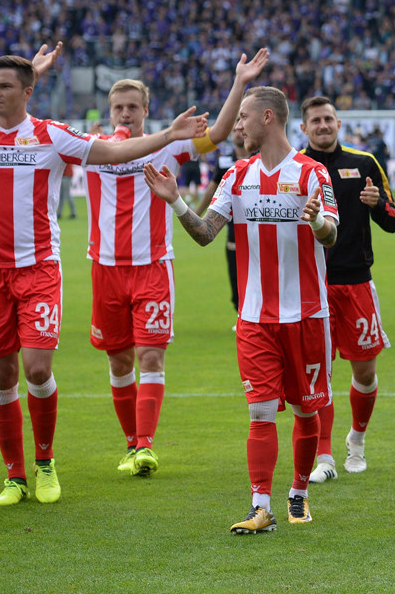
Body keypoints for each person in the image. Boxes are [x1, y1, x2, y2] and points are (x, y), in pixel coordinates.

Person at [0, 47, 208, 506]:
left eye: (4, 86)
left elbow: (113, 150)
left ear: (27, 92)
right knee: (1, 376)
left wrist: (168, 135)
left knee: (37, 368)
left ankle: (45, 462)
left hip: (38, 269)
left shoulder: (51, 135)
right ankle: (14, 477)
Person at [144, 86, 338, 535]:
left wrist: (316, 221)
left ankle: (298, 493)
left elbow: (330, 235)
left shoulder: (312, 174)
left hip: (307, 315)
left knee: (306, 411)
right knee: (260, 413)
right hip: (253, 319)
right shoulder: (236, 175)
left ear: (268, 117)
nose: (237, 126)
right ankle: (260, 506)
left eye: (243, 117)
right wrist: (175, 200)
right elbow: (205, 233)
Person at [82, 49, 267, 477]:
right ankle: (132, 443)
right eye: (118, 107)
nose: (125, 113)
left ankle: (146, 445)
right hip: (104, 270)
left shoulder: (169, 146)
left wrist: (239, 82)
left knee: (150, 357)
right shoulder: (92, 148)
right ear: (109, 112)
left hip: (152, 268)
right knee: (119, 362)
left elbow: (219, 132)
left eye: (133, 107)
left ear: (146, 111)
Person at [299, 96, 395, 482]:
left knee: (366, 372)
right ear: (304, 128)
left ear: (338, 123)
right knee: (317, 375)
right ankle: (324, 459)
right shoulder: (296, 167)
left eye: (328, 119)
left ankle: (356, 441)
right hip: (311, 286)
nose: (323, 125)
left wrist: (377, 204)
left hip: (356, 283)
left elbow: (393, 220)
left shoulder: (365, 163)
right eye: (315, 121)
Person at [196, 131, 253, 326]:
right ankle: (241, 313)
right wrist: (197, 214)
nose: (238, 132)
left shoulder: (261, 159)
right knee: (235, 276)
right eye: (234, 129)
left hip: (257, 226)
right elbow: (212, 189)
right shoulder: (225, 162)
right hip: (233, 229)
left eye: (241, 128)